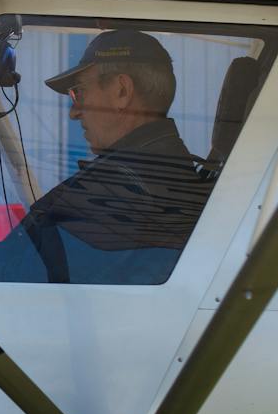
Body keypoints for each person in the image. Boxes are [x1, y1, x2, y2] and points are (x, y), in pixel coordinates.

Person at [12, 29, 212, 282]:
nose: (74, 112)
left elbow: (12, 271)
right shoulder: (168, 174)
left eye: (79, 93)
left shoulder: (117, 188)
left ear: (121, 91)